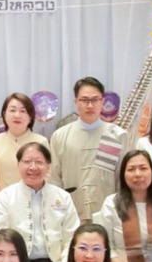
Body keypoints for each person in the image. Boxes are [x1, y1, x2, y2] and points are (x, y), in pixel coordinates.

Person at [0, 140, 78, 262]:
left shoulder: (62, 196)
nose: (33, 167)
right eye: (27, 162)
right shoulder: (6, 196)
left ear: (48, 166)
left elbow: (72, 234)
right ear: (18, 165)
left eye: (39, 162)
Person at [50, 77, 125, 225]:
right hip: (71, 214)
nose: (90, 105)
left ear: (103, 101)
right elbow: (54, 179)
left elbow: (122, 179)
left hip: (108, 214)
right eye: (84, 100)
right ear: (76, 102)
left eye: (95, 100)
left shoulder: (117, 135)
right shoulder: (60, 136)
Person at [0, 92, 43, 191]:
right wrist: (1, 198)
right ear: (4, 114)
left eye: (23, 111)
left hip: (34, 197)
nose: (17, 115)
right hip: (1, 198)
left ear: (30, 117)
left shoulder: (41, 142)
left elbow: (47, 176)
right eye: (12, 110)